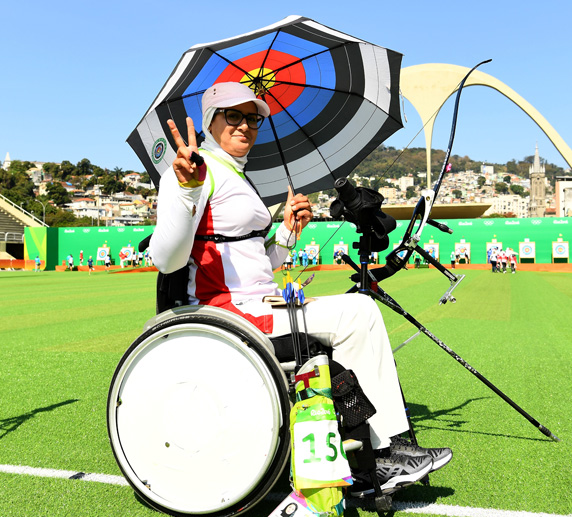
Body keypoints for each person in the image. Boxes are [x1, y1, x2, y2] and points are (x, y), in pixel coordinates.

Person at [149, 82, 450, 494]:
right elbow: (166, 260)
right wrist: (186, 190)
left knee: (360, 309)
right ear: (209, 121)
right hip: (227, 311)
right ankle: (379, 455)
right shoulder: (193, 170)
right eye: (232, 115)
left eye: (252, 118)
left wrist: (288, 232)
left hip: (259, 300)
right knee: (358, 313)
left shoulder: (236, 174)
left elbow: (257, 259)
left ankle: (386, 446)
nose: (245, 125)